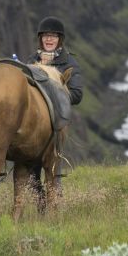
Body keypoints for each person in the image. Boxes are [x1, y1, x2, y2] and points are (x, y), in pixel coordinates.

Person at [27, 16, 83, 201]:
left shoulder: (69, 63)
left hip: (55, 122)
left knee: (52, 165)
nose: (49, 39)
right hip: (33, 122)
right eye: (45, 36)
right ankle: (38, 200)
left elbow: (77, 94)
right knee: (30, 170)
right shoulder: (31, 61)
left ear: (60, 39)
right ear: (40, 38)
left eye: (53, 36)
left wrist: (55, 92)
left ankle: (54, 197)